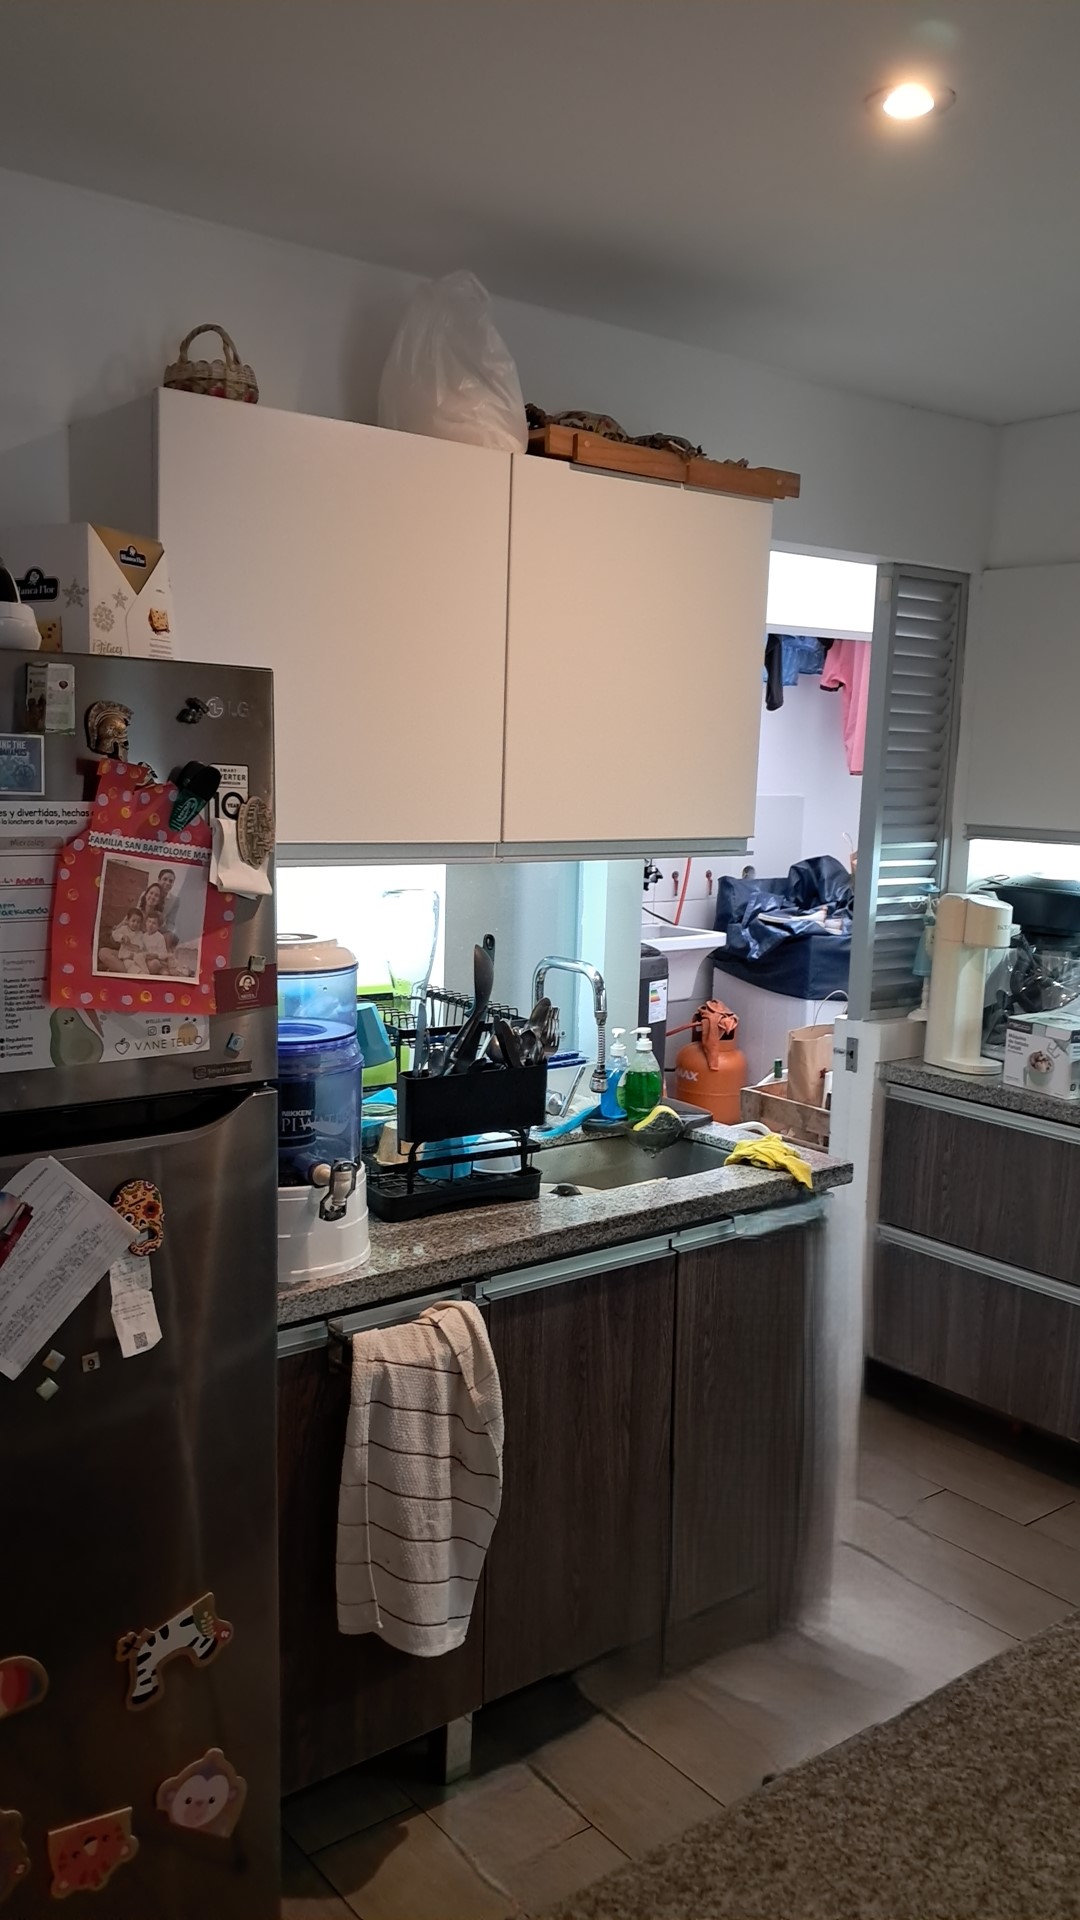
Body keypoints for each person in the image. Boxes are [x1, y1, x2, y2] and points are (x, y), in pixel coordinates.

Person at [111, 907, 145, 971]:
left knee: (142, 963)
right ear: (128, 920)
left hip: (137, 956)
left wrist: (131, 945)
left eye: (138, 922)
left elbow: (140, 947)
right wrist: (122, 937)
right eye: (133, 921)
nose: (135, 924)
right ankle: (138, 973)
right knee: (130, 965)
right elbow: (114, 933)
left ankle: (145, 973)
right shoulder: (124, 929)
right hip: (126, 957)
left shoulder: (140, 934)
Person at [141, 911, 171, 976]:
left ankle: (155, 971)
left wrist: (156, 956)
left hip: (156, 960)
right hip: (145, 960)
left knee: (155, 963)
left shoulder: (160, 937)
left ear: (158, 927)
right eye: (149, 921)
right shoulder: (143, 936)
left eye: (154, 923)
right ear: (146, 923)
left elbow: (164, 954)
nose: (150, 925)